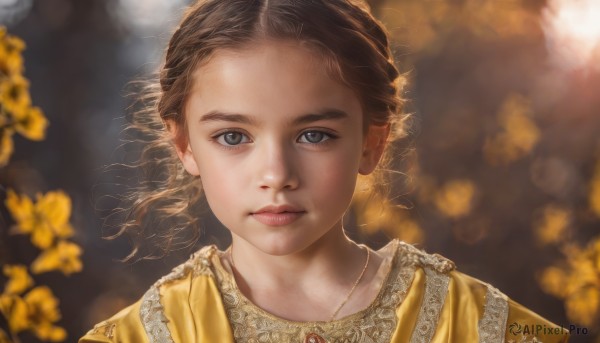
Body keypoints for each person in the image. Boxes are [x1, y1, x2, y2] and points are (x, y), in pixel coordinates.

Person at [80, 0, 569, 342]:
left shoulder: (472, 322)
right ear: (184, 144)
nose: (276, 174)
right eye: (233, 137)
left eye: (313, 135)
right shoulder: (142, 334)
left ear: (372, 143)